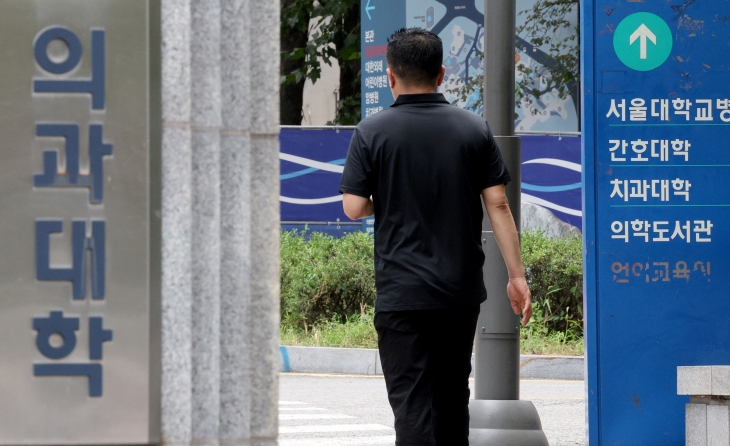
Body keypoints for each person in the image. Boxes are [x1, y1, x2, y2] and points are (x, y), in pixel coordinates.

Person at [338, 27, 532, 446]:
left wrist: (385, 198)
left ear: (391, 76)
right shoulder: (472, 128)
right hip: (457, 295)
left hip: (401, 294)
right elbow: (497, 205)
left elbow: (353, 207)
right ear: (441, 73)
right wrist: (517, 276)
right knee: (450, 403)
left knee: (412, 407)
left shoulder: (371, 132)